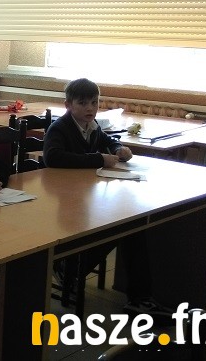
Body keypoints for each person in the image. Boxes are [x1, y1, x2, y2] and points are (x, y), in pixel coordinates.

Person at [43, 78, 169, 318]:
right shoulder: (60, 128)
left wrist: (118, 148)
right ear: (68, 105)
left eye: (94, 102)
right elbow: (53, 158)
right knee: (116, 228)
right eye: (83, 103)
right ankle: (69, 268)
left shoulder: (91, 126)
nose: (90, 108)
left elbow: (106, 140)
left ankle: (139, 298)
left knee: (130, 224)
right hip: (63, 199)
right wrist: (99, 159)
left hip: (84, 195)